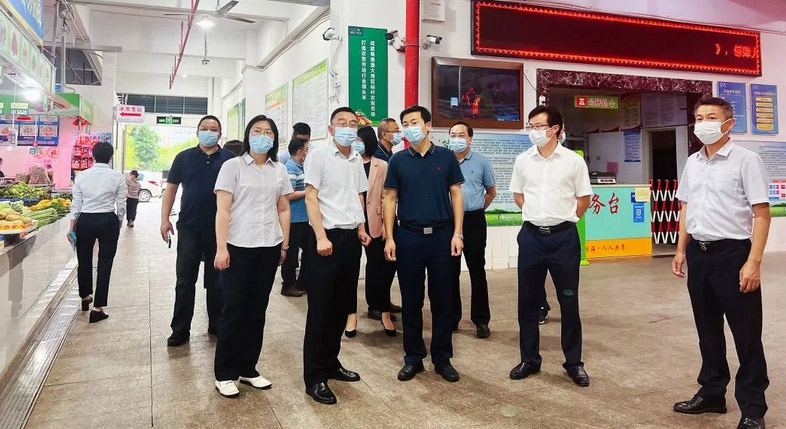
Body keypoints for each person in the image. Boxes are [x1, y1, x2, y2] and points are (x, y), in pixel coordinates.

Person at [671, 97, 771, 429]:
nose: (703, 123)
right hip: (699, 255)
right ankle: (713, 392)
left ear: (728, 123)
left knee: (746, 333)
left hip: (733, 255)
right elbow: (686, 207)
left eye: (711, 117)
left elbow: (761, 214)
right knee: (708, 330)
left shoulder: (746, 160)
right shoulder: (693, 162)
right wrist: (681, 250)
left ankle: (753, 408)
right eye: (699, 118)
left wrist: (753, 262)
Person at [508, 105, 592, 387]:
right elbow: (519, 195)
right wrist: (537, 215)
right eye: (531, 126)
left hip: (563, 238)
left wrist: (564, 219)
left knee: (569, 301)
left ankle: (574, 363)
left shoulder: (573, 162)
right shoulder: (523, 160)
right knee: (527, 302)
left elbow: (584, 199)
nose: (534, 131)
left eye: (539, 126)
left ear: (555, 129)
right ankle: (529, 360)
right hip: (531, 237)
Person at [212, 115, 293, 398]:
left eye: (268, 132)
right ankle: (224, 373)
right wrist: (221, 248)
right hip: (238, 247)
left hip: (269, 247)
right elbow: (223, 210)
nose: (263, 136)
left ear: (275, 138)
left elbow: (283, 208)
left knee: (257, 311)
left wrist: (284, 244)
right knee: (234, 309)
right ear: (248, 135)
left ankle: (248, 368)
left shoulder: (279, 169)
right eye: (257, 131)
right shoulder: (232, 166)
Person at [383, 105, 465, 383]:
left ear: (428, 126)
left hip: (442, 236)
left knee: (442, 299)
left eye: (414, 122)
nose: (409, 128)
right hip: (408, 237)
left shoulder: (446, 157)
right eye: (405, 124)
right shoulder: (398, 160)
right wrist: (390, 237)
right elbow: (389, 199)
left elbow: (456, 194)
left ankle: (442, 358)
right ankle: (413, 357)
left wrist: (458, 233)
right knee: (411, 300)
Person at [302, 107, 371, 405]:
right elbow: (310, 196)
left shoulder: (356, 158)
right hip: (325, 239)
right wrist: (320, 236)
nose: (347, 127)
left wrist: (362, 228)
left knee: (342, 306)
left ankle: (331, 362)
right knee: (320, 310)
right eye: (341, 123)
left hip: (350, 239)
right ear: (331, 129)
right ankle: (314, 376)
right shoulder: (318, 156)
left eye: (352, 124)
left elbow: (358, 196)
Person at [161, 115, 235, 347]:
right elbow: (171, 189)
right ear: (197, 132)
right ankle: (180, 329)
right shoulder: (183, 158)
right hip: (189, 227)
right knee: (185, 280)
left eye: (214, 129)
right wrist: (164, 219)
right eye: (205, 128)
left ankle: (217, 325)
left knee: (217, 281)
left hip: (220, 230)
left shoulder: (230, 160)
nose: (209, 132)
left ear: (220, 134)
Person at [344, 126, 397, 338]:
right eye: (354, 139)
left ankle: (383, 310)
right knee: (350, 271)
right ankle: (350, 315)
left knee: (380, 269)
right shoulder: (347, 164)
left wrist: (386, 224)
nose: (356, 143)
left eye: (359, 139)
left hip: (376, 223)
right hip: (351, 223)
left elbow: (387, 197)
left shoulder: (382, 165)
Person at [67, 142, 126, 324]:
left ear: (92, 156)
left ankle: (85, 297)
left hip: (85, 220)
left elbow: (76, 202)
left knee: (84, 259)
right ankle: (97, 308)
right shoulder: (117, 177)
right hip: (108, 219)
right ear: (111, 157)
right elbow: (121, 204)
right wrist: (119, 222)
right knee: (105, 262)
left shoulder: (82, 176)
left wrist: (72, 225)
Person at [447, 121, 496, 339]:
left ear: (470, 139)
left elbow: (491, 192)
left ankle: (481, 320)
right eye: (453, 135)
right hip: (448, 222)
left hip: (474, 221)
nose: (456, 139)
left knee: (477, 271)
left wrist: (477, 209)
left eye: (461, 135)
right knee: (450, 272)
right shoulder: (444, 160)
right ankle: (452, 318)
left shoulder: (481, 161)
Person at [281, 137, 310, 297]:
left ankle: (302, 282)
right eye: (306, 149)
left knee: (309, 250)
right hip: (294, 219)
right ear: (300, 151)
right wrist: (309, 192)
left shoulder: (300, 166)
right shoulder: (291, 167)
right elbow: (289, 194)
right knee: (291, 254)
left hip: (303, 218)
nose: (307, 152)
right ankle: (288, 285)